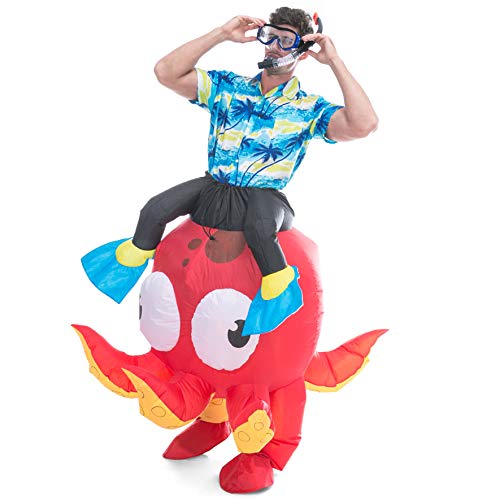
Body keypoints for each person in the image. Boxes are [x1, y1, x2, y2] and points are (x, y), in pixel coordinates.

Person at [82, 7, 378, 336]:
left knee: (258, 228)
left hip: (264, 199)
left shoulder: (310, 108)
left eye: (286, 40)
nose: (274, 46)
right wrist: (221, 34)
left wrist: (334, 60)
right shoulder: (227, 86)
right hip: (215, 188)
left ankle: (278, 292)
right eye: (270, 36)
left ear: (303, 52)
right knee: (155, 209)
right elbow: (166, 72)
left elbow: (364, 124)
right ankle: (127, 266)